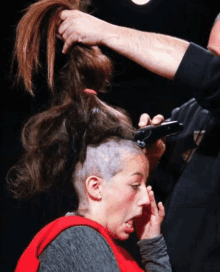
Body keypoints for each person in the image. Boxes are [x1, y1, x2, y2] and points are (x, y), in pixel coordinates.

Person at [9, 0, 172, 271]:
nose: (146, 200)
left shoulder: (103, 246)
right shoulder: (78, 238)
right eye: (135, 185)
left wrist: (151, 245)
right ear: (95, 187)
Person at [57, 8, 220, 272]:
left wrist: (105, 32)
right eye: (211, 55)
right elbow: (161, 197)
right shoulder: (189, 114)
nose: (212, 66)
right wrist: (152, 161)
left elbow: (208, 74)